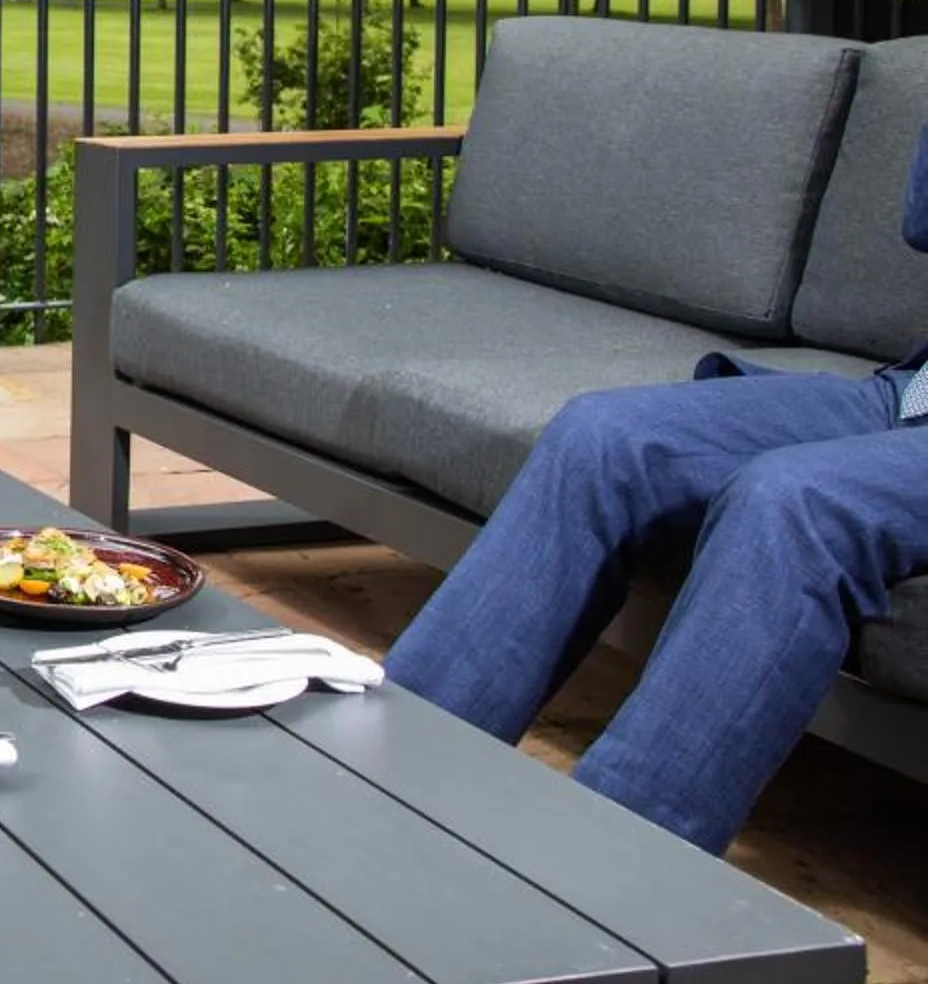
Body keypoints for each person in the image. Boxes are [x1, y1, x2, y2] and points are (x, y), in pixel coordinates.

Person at [384, 122, 928, 854]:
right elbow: (921, 218)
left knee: (789, 500)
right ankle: (389, 783)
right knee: (604, 437)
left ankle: (612, 873)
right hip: (907, 394)